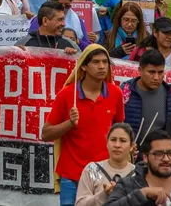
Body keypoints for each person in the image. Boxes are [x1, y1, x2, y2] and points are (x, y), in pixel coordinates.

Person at [43, 45, 125, 206]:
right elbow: (45, 134)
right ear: (84, 67)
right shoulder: (67, 95)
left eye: (105, 62)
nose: (102, 67)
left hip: (105, 176)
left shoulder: (116, 93)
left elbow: (120, 131)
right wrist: (69, 124)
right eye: (96, 62)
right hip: (72, 177)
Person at [105, 131, 171, 206]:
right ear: (145, 157)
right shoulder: (127, 186)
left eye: (170, 153)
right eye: (158, 154)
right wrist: (142, 194)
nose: (166, 159)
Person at [75, 123, 136, 206]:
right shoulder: (92, 170)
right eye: (113, 139)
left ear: (132, 146)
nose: (117, 145)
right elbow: (80, 204)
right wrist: (103, 195)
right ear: (107, 143)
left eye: (123, 141)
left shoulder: (138, 174)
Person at [121, 49, 171, 136]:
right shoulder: (124, 92)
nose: (156, 77)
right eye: (151, 72)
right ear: (140, 70)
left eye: (160, 72)